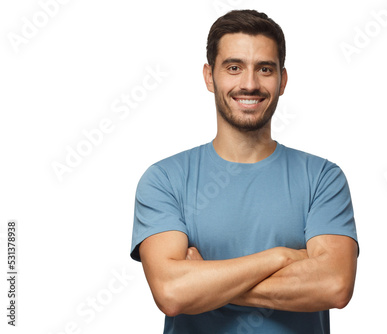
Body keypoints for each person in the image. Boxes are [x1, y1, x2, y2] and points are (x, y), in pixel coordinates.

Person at [130, 9, 359, 334]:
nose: (249, 84)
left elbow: (334, 285)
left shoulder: (322, 178)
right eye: (234, 68)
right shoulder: (165, 180)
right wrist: (280, 258)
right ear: (210, 77)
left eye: (264, 69)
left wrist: (206, 280)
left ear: (282, 80)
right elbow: (172, 293)